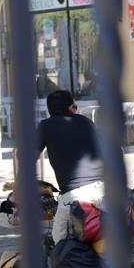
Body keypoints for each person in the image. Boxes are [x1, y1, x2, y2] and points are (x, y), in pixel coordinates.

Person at [37, 90, 104, 244]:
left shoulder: (46, 126)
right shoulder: (86, 122)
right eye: (75, 106)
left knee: (59, 240)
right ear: (70, 107)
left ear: (49, 110)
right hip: (103, 188)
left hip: (74, 196)